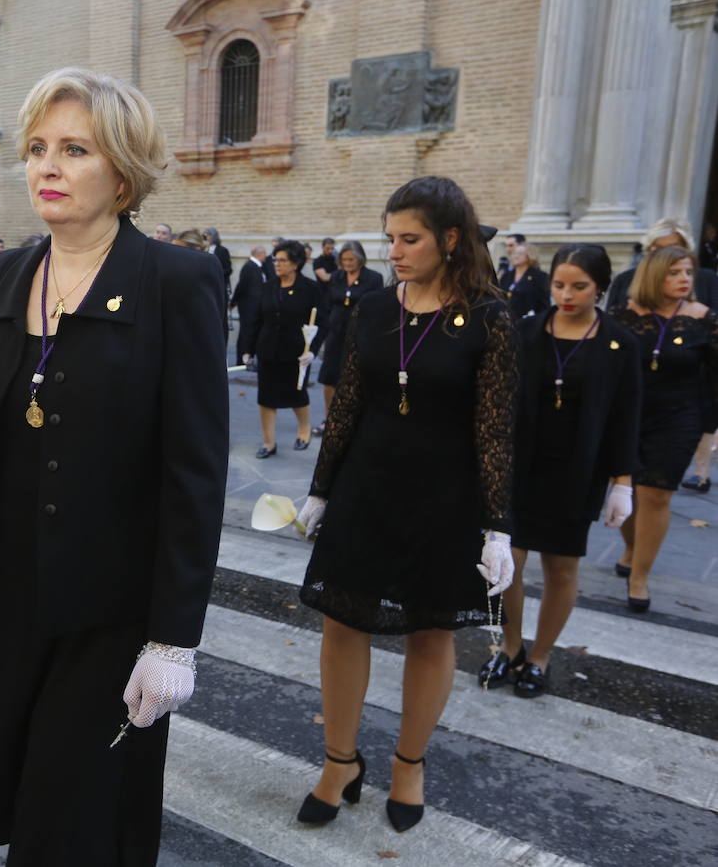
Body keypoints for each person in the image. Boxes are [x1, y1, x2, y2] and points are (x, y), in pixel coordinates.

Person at [0, 66, 228, 864]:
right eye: (36, 148)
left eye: (74, 149)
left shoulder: (176, 281)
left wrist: (174, 642)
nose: (47, 166)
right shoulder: (5, 272)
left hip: (111, 611)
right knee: (23, 794)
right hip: (11, 601)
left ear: (123, 172)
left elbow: (194, 474)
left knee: (83, 820)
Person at [293, 176, 517, 833]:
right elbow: (347, 410)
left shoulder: (490, 318)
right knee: (341, 621)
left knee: (430, 631)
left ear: (450, 239)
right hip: (367, 487)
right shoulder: (373, 308)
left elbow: (495, 427)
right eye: (391, 237)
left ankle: (409, 764)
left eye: (409, 238)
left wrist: (498, 527)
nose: (395, 250)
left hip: (446, 499)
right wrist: (319, 489)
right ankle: (340, 762)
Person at [479, 244, 641, 698]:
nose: (566, 295)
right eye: (559, 285)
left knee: (562, 568)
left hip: (577, 471)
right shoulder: (526, 330)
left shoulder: (620, 343)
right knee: (508, 563)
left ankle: (540, 656)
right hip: (519, 466)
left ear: (602, 288)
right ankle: (510, 647)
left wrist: (621, 484)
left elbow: (626, 416)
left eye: (579, 286)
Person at [609, 246, 718, 611]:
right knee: (626, 491)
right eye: (674, 273)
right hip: (628, 414)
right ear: (655, 276)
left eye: (688, 272)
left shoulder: (704, 319)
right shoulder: (622, 317)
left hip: (678, 417)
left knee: (656, 494)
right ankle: (630, 546)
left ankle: (640, 577)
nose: (685, 279)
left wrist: (710, 424)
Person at [243, 239, 327, 457]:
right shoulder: (268, 286)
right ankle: (269, 442)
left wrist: (312, 351)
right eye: (275, 259)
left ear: (295, 263)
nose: (277, 264)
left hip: (297, 353)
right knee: (266, 397)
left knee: (296, 394)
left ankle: (303, 430)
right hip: (268, 350)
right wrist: (247, 349)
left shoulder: (310, 289)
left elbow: (323, 322)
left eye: (282, 260)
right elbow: (256, 319)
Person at [315, 241, 382, 436]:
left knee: (355, 375)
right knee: (329, 376)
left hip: (361, 334)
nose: (347, 263)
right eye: (344, 259)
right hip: (335, 333)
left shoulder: (373, 278)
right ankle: (330, 417)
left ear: (360, 259)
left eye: (351, 259)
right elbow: (328, 302)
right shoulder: (336, 276)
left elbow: (377, 307)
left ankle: (354, 417)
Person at [230, 244, 268, 368]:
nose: (266, 256)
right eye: (264, 254)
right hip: (248, 308)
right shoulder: (249, 267)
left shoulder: (259, 267)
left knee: (253, 333)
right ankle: (242, 361)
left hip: (257, 308)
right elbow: (241, 286)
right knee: (246, 334)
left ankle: (249, 359)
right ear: (260, 254)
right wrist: (233, 302)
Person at [498, 234, 550, 319]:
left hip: (530, 322)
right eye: (514, 253)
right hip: (508, 322)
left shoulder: (540, 276)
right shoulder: (506, 275)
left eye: (520, 254)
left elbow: (544, 304)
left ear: (529, 255)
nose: (515, 256)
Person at [205, 227, 232, 293]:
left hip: (219, 283)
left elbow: (228, 269)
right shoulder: (206, 249)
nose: (207, 237)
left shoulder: (223, 250)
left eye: (208, 235)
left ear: (213, 236)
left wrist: (215, 274)